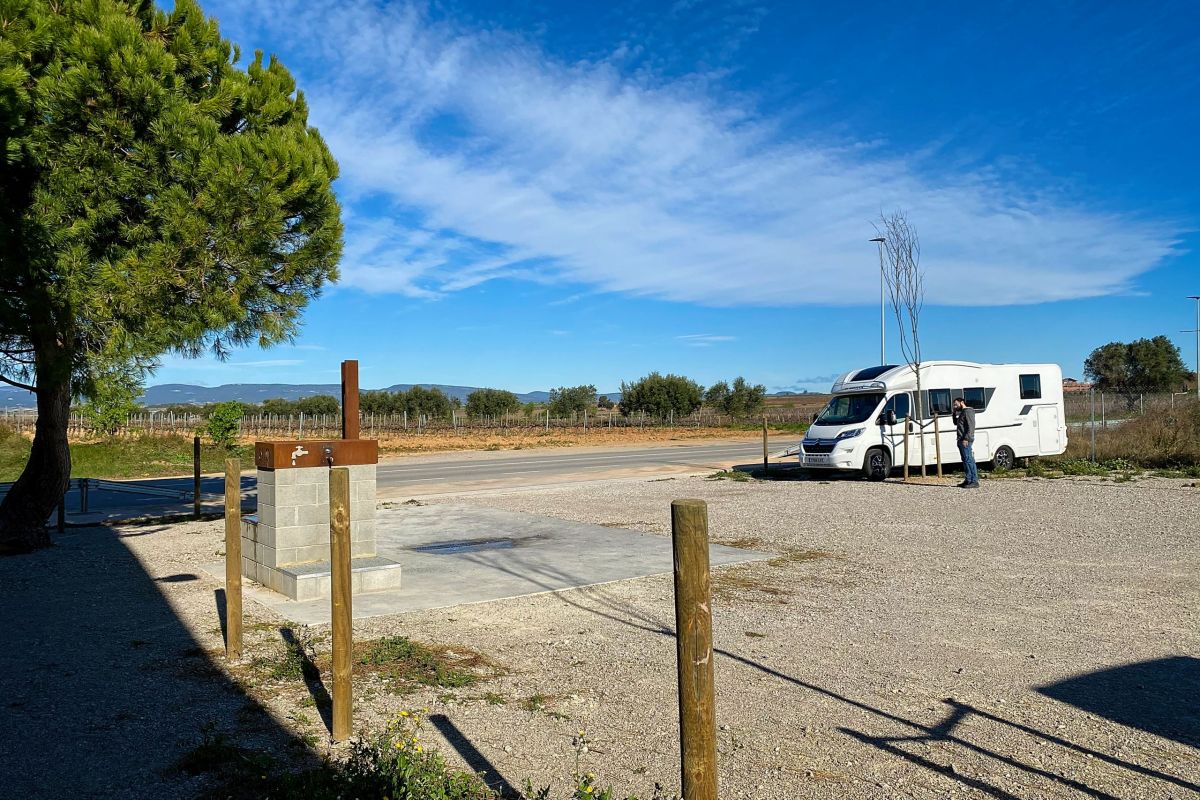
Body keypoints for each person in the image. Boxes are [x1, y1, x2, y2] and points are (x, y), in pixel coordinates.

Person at [952, 397, 979, 488]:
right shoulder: (962, 413)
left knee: (969, 460)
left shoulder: (968, 411)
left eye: (956, 404)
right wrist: (954, 413)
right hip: (961, 439)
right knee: (965, 460)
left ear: (962, 402)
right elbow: (956, 423)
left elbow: (971, 426)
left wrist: (966, 438)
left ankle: (974, 481)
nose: (954, 406)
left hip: (965, 440)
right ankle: (968, 479)